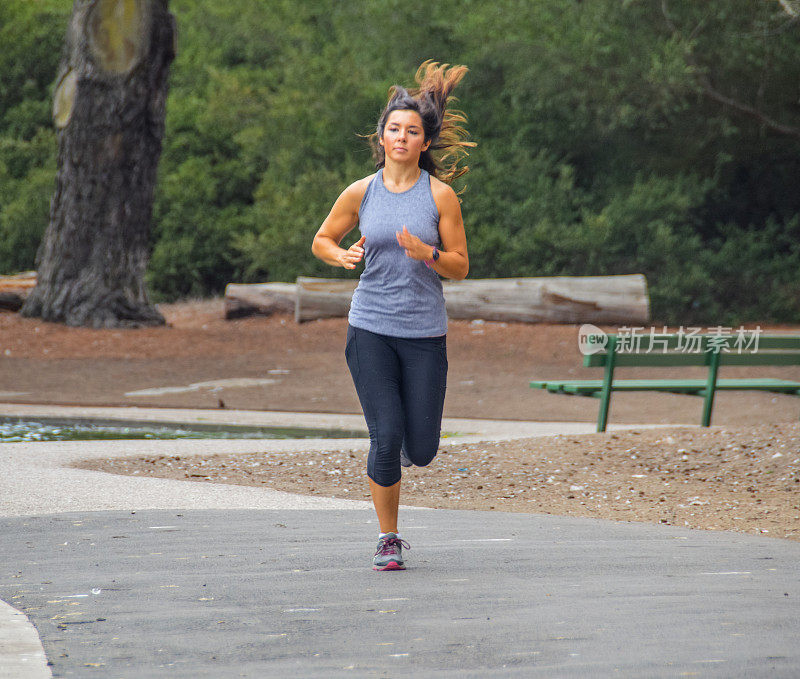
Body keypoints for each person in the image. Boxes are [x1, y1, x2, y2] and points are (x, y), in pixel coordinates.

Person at [311, 61, 474, 570]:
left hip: (425, 332)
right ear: (381, 138)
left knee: (421, 448)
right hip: (371, 329)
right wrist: (338, 256)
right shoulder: (362, 192)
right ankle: (388, 537)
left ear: (425, 142)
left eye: (412, 131)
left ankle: (403, 447)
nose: (401, 137)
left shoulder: (439, 196)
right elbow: (322, 239)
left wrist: (428, 253)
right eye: (394, 129)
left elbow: (461, 266)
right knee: (385, 435)